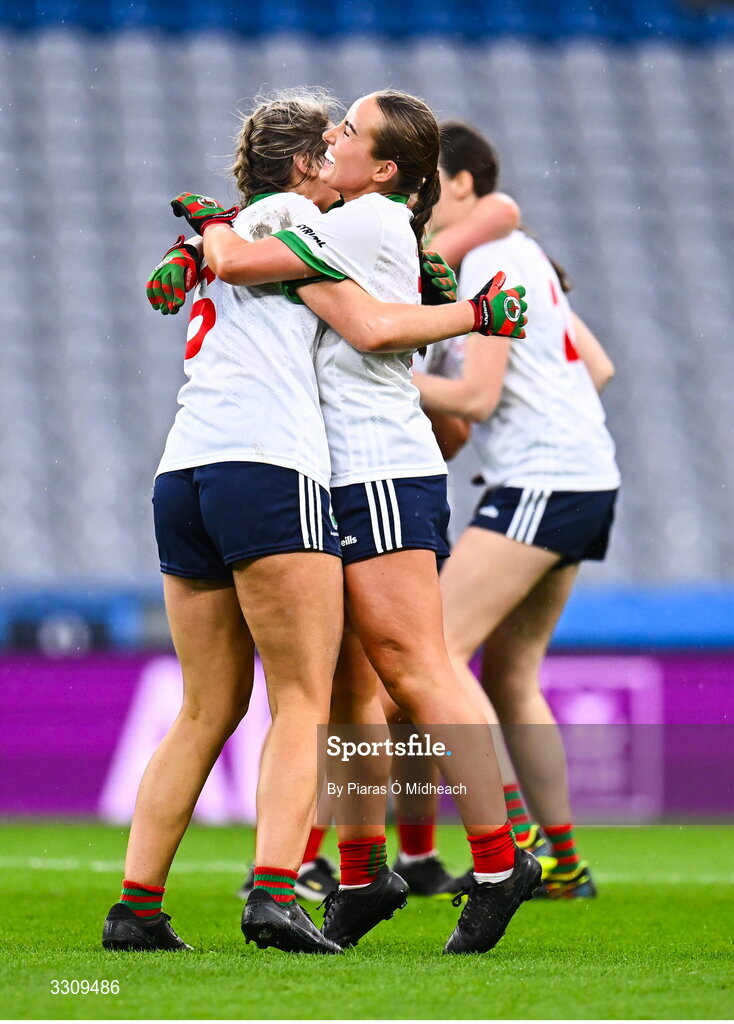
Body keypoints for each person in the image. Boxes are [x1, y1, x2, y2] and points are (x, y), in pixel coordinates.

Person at [172, 89, 541, 956]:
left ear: (383, 170)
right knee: (349, 689)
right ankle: (366, 869)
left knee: (418, 667)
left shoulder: (367, 218)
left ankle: (500, 860)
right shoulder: (362, 218)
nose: (330, 137)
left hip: (376, 464)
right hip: (340, 468)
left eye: (348, 130)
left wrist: (212, 230)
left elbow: (263, 271)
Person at [102, 90, 350, 956]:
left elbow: (208, 269)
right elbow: (269, 274)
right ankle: (276, 896)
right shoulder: (284, 216)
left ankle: (136, 907)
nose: (346, 160)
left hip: (186, 469)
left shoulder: (226, 231)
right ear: (304, 163)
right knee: (304, 699)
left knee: (205, 706)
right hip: (268, 464)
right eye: (335, 144)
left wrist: (203, 234)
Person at [410, 120, 620, 898]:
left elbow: (476, 397)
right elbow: (597, 367)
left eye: (433, 181)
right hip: (578, 477)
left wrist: (380, 376)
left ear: (464, 184)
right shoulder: (523, 255)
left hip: (542, 484)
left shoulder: (490, 259)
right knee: (510, 674)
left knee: (432, 649)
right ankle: (564, 866)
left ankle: (518, 841)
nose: (422, 198)